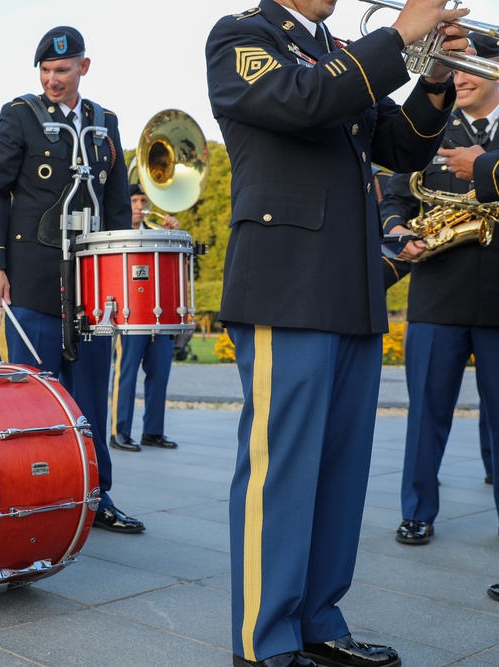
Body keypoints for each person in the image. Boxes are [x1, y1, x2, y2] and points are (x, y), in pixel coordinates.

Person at [206, 0, 468, 664]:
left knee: (340, 472)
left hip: (349, 283)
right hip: (285, 280)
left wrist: (434, 77)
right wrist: (398, 36)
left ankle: (318, 619)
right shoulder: (242, 36)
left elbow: (401, 145)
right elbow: (305, 100)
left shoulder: (345, 48)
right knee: (282, 470)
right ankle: (263, 639)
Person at [0, 26, 143, 534]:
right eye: (46, 71)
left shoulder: (104, 122)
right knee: (30, 398)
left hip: (91, 288)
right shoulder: (20, 117)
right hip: (32, 280)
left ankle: (96, 498)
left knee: (90, 396)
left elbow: (116, 205)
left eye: (63, 71)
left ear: (83, 69)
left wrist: (116, 280)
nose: (53, 79)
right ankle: (35, 494)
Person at [380, 44, 499, 547]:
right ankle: (417, 510)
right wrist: (399, 228)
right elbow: (394, 196)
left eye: (470, 69)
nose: (460, 79)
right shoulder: (430, 129)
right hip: (435, 299)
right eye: (456, 71)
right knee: (426, 414)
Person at [109, 182, 179, 452]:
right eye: (135, 201)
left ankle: (153, 431)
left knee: (160, 374)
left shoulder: (158, 234)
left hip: (158, 317)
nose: (140, 207)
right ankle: (119, 432)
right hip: (128, 319)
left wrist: (172, 235)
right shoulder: (113, 234)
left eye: (143, 201)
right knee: (125, 375)